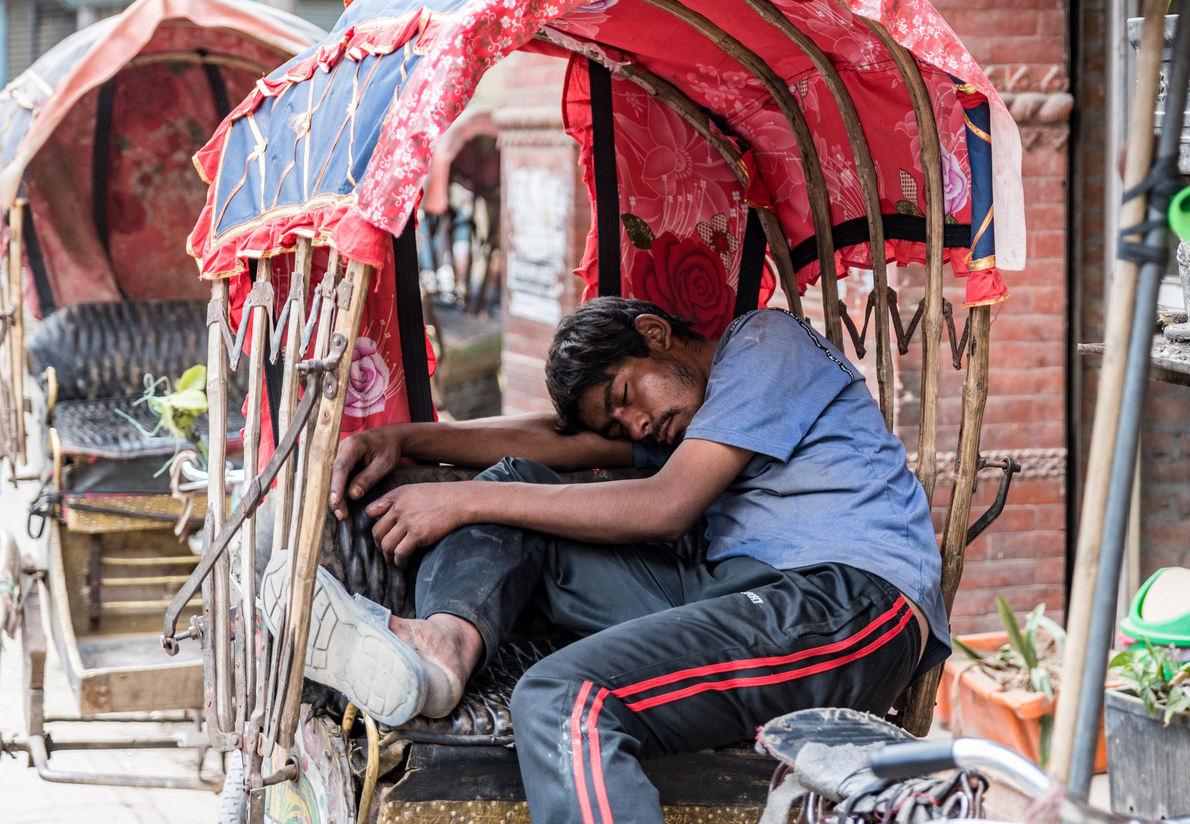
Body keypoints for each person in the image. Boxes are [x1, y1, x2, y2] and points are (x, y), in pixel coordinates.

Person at [261, 297, 949, 824]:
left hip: (848, 607)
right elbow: (555, 442)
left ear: (655, 334)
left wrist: (458, 503)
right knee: (511, 485)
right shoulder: (694, 423)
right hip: (735, 597)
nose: (638, 426)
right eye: (619, 426)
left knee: (567, 700)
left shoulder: (766, 345)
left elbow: (665, 506)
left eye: (626, 397)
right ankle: (442, 650)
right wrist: (402, 438)